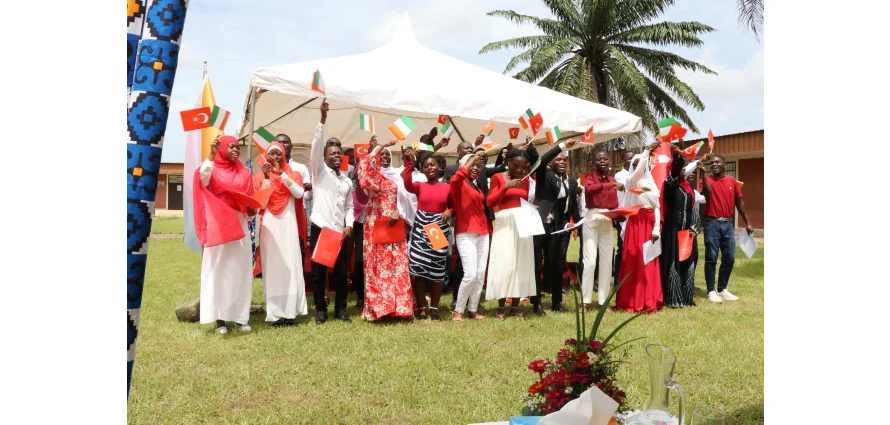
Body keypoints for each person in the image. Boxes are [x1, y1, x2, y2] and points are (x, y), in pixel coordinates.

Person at [193, 135, 257, 334]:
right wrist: (211, 154)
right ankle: (220, 320)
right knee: (220, 270)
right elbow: (202, 178)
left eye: (238, 147)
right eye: (231, 147)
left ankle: (240, 317)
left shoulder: (244, 172)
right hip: (219, 224)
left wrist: (251, 211)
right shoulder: (212, 168)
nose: (236, 150)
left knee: (241, 270)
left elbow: (249, 199)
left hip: (240, 224)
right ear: (222, 149)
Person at [308, 99, 355, 324]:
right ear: (325, 158)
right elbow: (315, 148)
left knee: (341, 273)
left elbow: (350, 207)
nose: (336, 156)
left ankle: (341, 311)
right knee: (318, 274)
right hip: (320, 228)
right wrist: (322, 121)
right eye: (332, 153)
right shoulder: (319, 173)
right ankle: (320, 311)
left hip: (339, 232)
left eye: (339, 153)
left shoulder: (346, 181)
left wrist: (349, 225)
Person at [358, 141, 414, 321]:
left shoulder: (396, 176)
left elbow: (406, 199)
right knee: (378, 266)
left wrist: (399, 211)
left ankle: (399, 308)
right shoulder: (372, 176)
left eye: (387, 155)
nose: (384, 157)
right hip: (376, 223)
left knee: (397, 265)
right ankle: (379, 309)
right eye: (381, 155)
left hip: (395, 223)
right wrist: (379, 147)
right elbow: (364, 168)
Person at [254, 142, 308, 325]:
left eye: (279, 154)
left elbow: (299, 193)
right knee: (273, 268)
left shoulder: (294, 174)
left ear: (284, 155)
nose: (275, 157)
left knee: (290, 266)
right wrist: (268, 178)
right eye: (272, 154)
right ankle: (275, 313)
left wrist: (281, 173)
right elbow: (260, 205)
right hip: (270, 227)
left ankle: (290, 312)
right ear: (266, 157)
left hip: (288, 225)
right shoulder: (261, 177)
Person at [529, 139, 580, 314]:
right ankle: (536, 303)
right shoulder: (544, 174)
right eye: (558, 159)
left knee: (556, 264)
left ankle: (556, 302)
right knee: (537, 265)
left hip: (554, 228)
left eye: (565, 160)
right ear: (552, 162)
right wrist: (562, 146)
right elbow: (542, 160)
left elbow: (563, 208)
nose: (562, 162)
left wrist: (568, 223)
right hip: (538, 224)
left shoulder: (564, 182)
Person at [402, 148, 453, 320]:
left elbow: (455, 206)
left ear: (439, 167)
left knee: (437, 272)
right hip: (421, 230)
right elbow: (407, 184)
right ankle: (422, 308)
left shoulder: (447, 187)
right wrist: (408, 162)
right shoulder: (419, 186)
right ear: (422, 170)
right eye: (426, 166)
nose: (429, 168)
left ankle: (434, 309)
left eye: (432, 165)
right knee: (419, 270)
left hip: (438, 230)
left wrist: (450, 211)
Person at [486, 149, 537, 320]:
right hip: (504, 223)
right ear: (508, 161)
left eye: (524, 168)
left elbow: (523, 201)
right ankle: (501, 307)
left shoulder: (525, 180)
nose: (520, 171)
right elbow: (490, 202)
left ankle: (515, 306)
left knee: (520, 263)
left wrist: (531, 208)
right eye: (516, 166)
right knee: (504, 262)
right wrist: (505, 187)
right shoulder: (497, 178)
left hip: (522, 222)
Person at [615, 143, 663, 313]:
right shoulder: (630, 181)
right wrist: (646, 152)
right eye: (633, 165)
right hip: (635, 225)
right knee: (634, 261)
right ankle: (631, 300)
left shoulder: (651, 185)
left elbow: (656, 207)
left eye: (639, 164)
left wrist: (656, 229)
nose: (637, 168)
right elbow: (637, 172)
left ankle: (649, 300)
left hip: (649, 224)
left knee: (649, 261)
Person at [699, 154, 753, 302]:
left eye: (717, 162)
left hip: (728, 225)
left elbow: (739, 201)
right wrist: (703, 173)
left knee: (729, 258)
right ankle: (711, 291)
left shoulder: (732, 181)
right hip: (711, 224)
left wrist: (747, 222)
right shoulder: (705, 179)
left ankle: (722, 289)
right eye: (712, 163)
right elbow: (708, 196)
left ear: (724, 164)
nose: (714, 164)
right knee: (711, 258)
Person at [658, 145, 700, 308]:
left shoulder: (688, 188)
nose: (682, 170)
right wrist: (678, 158)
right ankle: (673, 298)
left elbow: (693, 208)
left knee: (688, 261)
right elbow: (674, 172)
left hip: (687, 231)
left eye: (683, 168)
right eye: (679, 168)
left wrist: (694, 228)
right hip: (673, 230)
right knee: (675, 261)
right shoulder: (670, 184)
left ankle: (687, 296)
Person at [450, 152, 490, 322]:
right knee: (470, 274)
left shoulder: (475, 185)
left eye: (478, 166)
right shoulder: (458, 183)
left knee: (480, 274)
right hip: (466, 232)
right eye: (471, 164)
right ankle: (458, 310)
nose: (475, 168)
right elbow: (456, 177)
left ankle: (472, 309)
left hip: (482, 232)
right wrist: (473, 158)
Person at [582, 150, 621, 309]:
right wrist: (610, 185)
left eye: (605, 158)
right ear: (594, 162)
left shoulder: (612, 179)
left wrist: (620, 214)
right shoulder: (590, 176)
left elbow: (614, 203)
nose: (602, 161)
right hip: (592, 218)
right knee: (590, 262)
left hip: (607, 220)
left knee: (606, 262)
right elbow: (590, 190)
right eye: (599, 159)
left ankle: (603, 301)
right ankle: (585, 301)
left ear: (609, 161)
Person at [351, 135, 378, 311]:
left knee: (377, 260)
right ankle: (361, 296)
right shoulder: (360, 174)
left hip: (379, 223)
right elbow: (357, 171)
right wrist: (371, 150)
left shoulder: (383, 178)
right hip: (361, 222)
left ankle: (376, 294)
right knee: (361, 261)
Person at [612, 151, 635, 284]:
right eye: (629, 159)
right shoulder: (620, 175)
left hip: (635, 215)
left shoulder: (635, 176)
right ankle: (618, 280)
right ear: (623, 161)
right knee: (622, 248)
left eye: (633, 159)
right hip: (623, 215)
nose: (632, 161)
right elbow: (630, 185)